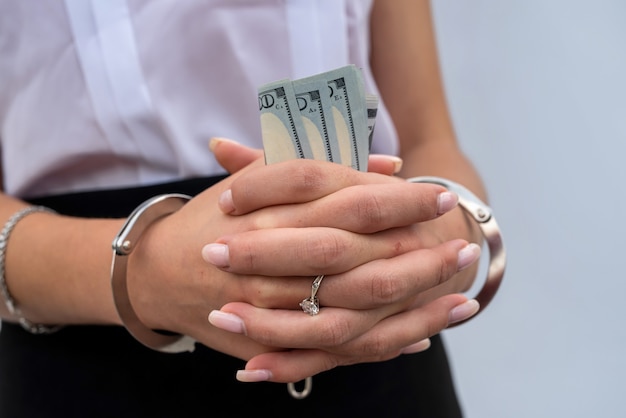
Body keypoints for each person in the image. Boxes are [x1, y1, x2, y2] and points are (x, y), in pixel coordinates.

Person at [0, 0, 491, 417]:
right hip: (82, 357)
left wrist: (440, 250)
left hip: (382, 359)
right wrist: (145, 276)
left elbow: (431, 140)